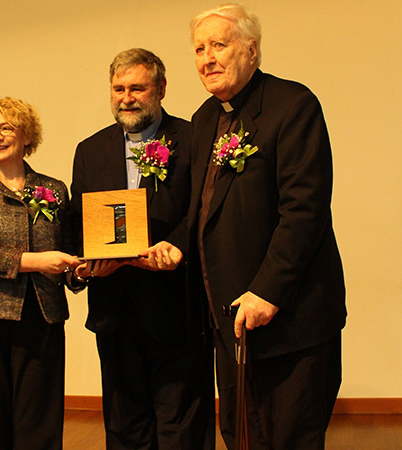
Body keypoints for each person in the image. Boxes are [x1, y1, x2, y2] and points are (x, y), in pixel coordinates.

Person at [147, 4, 347, 449]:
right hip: (229, 322)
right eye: (199, 49)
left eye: (219, 45)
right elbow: (203, 207)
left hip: (289, 320)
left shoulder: (292, 105)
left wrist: (269, 292)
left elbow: (304, 211)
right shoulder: (203, 120)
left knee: (289, 438)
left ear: (251, 50)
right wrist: (175, 244)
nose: (207, 58)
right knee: (240, 436)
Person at [70, 48, 215, 449]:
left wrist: (177, 246)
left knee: (182, 426)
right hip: (114, 310)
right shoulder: (90, 149)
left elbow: (205, 209)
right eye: (119, 88)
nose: (126, 97)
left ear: (161, 88)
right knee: (124, 426)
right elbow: (79, 222)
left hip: (177, 308)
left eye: (137, 87)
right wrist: (87, 266)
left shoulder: (193, 138)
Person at [0, 97, 80, 449]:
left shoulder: (53, 190)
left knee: (40, 423)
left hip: (41, 316)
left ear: (26, 136)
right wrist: (34, 262)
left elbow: (67, 255)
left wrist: (83, 272)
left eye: (5, 127)